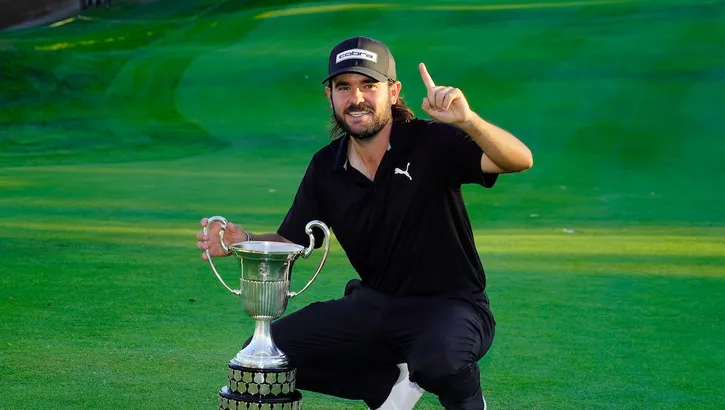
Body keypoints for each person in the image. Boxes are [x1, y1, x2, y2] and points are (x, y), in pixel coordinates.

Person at [196, 36, 533, 410]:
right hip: (376, 305)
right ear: (330, 96)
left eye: (369, 85)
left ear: (393, 92)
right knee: (268, 356)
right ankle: (387, 386)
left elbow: (519, 160)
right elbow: (290, 241)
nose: (356, 98)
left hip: (452, 305)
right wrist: (243, 240)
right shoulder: (326, 166)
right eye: (344, 87)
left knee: (439, 362)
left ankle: (468, 400)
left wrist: (469, 122)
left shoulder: (430, 141)